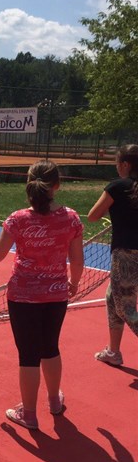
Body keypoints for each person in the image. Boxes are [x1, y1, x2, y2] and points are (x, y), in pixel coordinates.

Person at [0, 160, 84, 430]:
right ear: (57, 185)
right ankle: (54, 401)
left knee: (28, 355)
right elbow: (77, 259)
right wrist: (74, 282)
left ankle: (29, 414)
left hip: (22, 297)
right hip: (56, 295)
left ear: (29, 184)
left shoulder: (18, 219)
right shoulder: (71, 218)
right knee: (50, 347)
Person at [88, 144, 138, 366]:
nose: (116, 167)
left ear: (125, 164)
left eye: (117, 163)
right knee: (112, 298)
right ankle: (113, 352)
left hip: (126, 254)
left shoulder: (117, 187)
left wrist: (116, 209)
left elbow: (93, 215)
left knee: (125, 308)